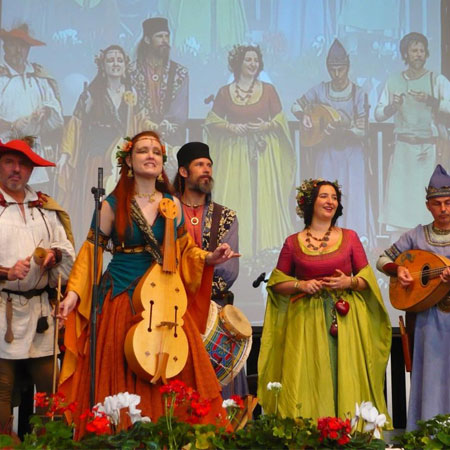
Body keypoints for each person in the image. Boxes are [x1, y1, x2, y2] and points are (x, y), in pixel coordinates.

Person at [58, 131, 239, 438]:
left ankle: (171, 437)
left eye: (156, 151)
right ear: (129, 161)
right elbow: (91, 252)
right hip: (120, 296)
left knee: (174, 367)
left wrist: (209, 258)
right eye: (143, 150)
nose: (151, 155)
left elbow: (185, 251)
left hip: (165, 299)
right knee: (118, 369)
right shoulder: (112, 205)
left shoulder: (172, 203)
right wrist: (73, 293)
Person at [257, 179, 391, 422]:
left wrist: (348, 283)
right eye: (324, 196)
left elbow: (366, 279)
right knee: (311, 375)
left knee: (346, 373)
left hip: (346, 319)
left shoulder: (350, 238)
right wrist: (301, 285)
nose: (330, 201)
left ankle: (349, 431)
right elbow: (277, 284)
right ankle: (312, 432)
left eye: (334, 197)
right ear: (310, 202)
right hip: (306, 322)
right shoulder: (292, 242)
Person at [0, 138, 75, 434]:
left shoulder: (44, 208)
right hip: (2, 314)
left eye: (24, 164)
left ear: (31, 170)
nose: (16, 170)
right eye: (9, 162)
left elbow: (65, 248)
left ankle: (45, 445)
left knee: (50, 390)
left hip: (41, 314)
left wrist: (54, 256)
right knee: (2, 390)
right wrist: (6, 272)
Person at [377, 164, 450, 430]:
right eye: (437, 204)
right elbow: (382, 258)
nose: (443, 209)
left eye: (448, 203)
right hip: (428, 320)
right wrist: (400, 269)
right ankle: (428, 435)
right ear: (428, 205)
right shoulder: (417, 235)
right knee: (430, 376)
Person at [173, 141, 249, 399]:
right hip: (173, 311)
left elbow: (228, 273)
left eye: (209, 165)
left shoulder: (226, 216)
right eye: (199, 165)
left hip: (214, 313)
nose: (206, 170)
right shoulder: (167, 212)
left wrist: (195, 284)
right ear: (183, 172)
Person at [205, 45, 295, 258]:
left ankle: (265, 252)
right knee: (238, 197)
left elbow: (281, 119)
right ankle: (236, 249)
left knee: (263, 198)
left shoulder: (269, 90)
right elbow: (212, 121)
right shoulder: (225, 92)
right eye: (248, 60)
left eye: (256, 60)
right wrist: (230, 127)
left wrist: (267, 126)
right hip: (235, 155)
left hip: (263, 155)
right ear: (239, 63)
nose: (253, 63)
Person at [292, 39, 371, 242]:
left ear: (347, 68)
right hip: (326, 150)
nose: (337, 74)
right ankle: (324, 235)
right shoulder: (320, 90)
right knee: (325, 194)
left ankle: (355, 237)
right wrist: (305, 117)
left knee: (352, 192)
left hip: (351, 151)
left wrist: (344, 127)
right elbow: (295, 106)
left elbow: (362, 129)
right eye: (333, 69)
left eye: (340, 69)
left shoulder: (358, 93)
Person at [375, 32, 450, 231]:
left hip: (427, 149)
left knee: (425, 199)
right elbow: (378, 114)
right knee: (400, 200)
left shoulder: (436, 80)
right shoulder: (393, 80)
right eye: (414, 50)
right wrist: (393, 106)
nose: (418, 54)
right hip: (403, 149)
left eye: (421, 51)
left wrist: (430, 100)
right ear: (405, 55)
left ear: (426, 54)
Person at [58, 44, 135, 238]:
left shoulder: (132, 94)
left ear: (126, 64)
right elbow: (76, 122)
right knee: (96, 203)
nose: (115, 64)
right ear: (103, 66)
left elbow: (139, 123)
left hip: (122, 160)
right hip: (97, 157)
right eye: (110, 60)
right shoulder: (92, 93)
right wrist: (66, 154)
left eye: (119, 60)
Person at [0, 24, 64, 188]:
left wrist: (46, 112)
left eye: (23, 46)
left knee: (34, 205)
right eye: (14, 44)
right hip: (4, 151)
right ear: (5, 45)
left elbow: (55, 111)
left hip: (33, 155)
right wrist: (12, 125)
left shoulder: (39, 76)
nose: (18, 50)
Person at [132, 17, 188, 148]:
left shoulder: (180, 72)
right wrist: (149, 125)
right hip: (140, 134)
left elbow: (180, 110)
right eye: (159, 36)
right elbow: (132, 106)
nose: (165, 41)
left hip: (171, 138)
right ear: (147, 40)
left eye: (167, 36)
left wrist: (164, 126)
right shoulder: (131, 71)